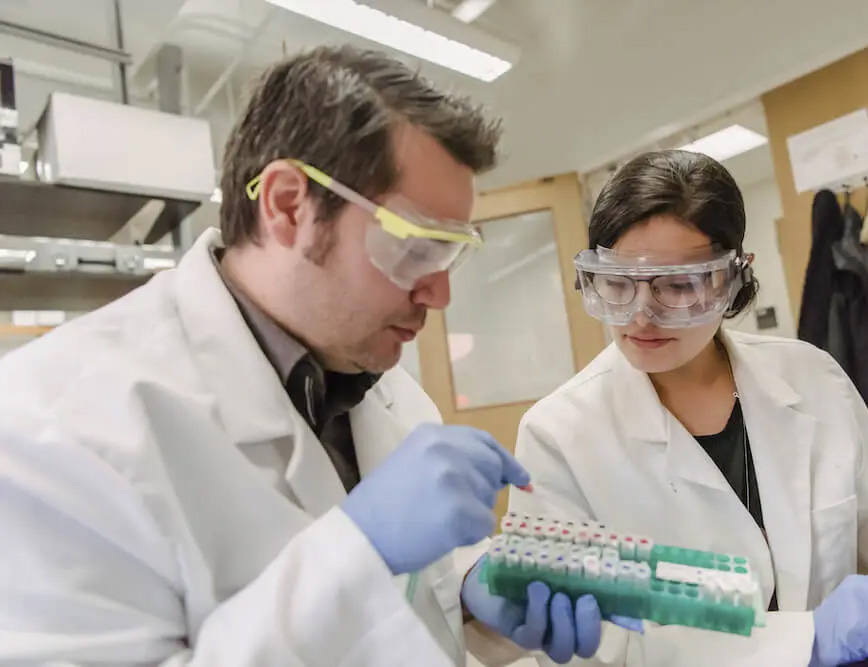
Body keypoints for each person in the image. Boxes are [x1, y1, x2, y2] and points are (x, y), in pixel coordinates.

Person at [0, 46, 606, 666]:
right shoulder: (52, 428)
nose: (439, 294)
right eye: (416, 248)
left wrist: (473, 592)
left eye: (449, 254)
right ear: (289, 205)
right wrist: (358, 552)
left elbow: (416, 601)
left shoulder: (383, 389)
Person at [509, 149, 868, 666]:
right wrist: (804, 639)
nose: (641, 315)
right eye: (616, 283)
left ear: (732, 278)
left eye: (677, 285)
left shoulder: (810, 376)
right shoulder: (558, 435)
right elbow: (589, 643)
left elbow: (866, 518)